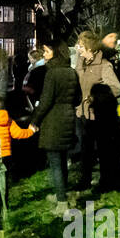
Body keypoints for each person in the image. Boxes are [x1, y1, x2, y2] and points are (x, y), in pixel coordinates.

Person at [29, 40, 80, 212]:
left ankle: (62, 203)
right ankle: (62, 194)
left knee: (56, 163)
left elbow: (45, 101)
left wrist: (34, 121)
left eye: (47, 51)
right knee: (63, 160)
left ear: (55, 53)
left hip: (53, 120)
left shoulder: (52, 74)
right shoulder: (72, 72)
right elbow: (78, 99)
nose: (44, 54)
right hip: (68, 118)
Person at [74, 30, 120, 194]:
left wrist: (96, 98)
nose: (78, 49)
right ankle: (85, 180)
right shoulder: (79, 64)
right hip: (82, 114)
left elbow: (117, 89)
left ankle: (106, 181)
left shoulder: (104, 65)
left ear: (89, 48)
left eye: (81, 46)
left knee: (104, 150)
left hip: (100, 115)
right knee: (85, 150)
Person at [0, 92, 34, 187]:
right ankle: (4, 200)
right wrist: (31, 131)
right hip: (6, 156)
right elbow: (18, 134)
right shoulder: (9, 120)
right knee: (4, 182)